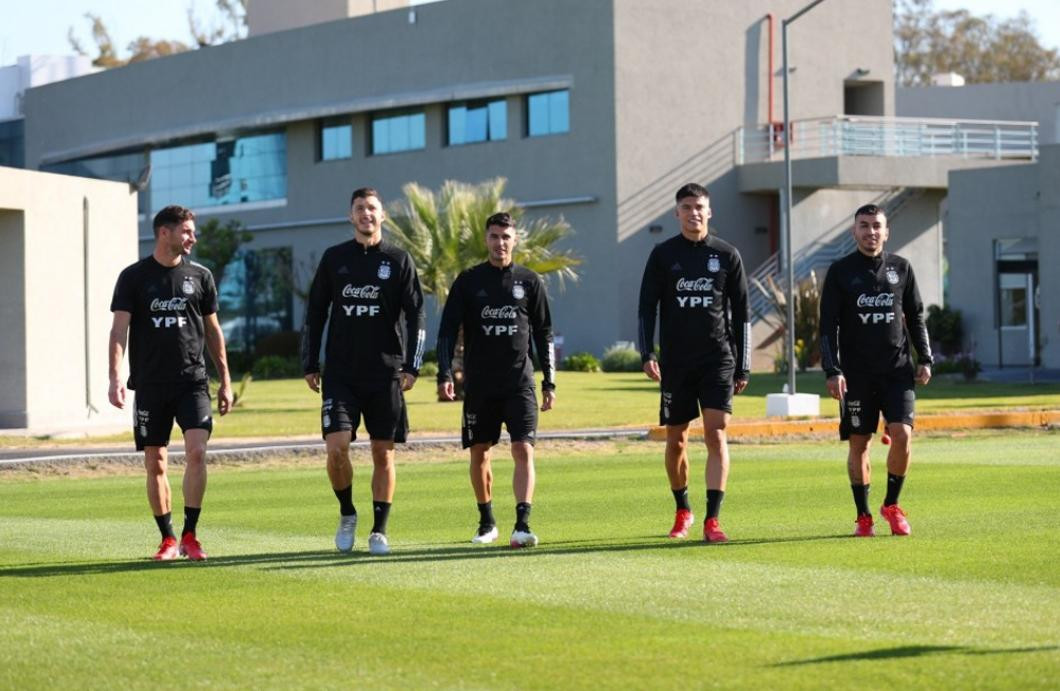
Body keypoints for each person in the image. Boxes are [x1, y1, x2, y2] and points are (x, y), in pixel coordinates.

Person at [302, 187, 425, 556]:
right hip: (341, 372)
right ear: (350, 215)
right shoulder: (334, 258)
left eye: (372, 208)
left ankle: (379, 530)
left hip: (385, 371)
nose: (366, 214)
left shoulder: (399, 260)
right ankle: (347, 513)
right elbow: (315, 312)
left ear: (382, 215)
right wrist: (310, 362)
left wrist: (413, 365)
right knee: (337, 448)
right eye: (359, 208)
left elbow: (417, 314)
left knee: (382, 452)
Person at [108, 205, 234, 562]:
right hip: (149, 384)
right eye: (187, 231)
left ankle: (191, 536)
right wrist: (115, 375)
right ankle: (167, 539)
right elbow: (119, 331)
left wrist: (225, 379)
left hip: (192, 382)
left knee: (196, 451)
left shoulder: (201, 276)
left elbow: (213, 331)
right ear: (165, 232)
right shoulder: (133, 277)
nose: (192, 237)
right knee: (156, 462)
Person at [638, 183, 750, 543]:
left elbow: (743, 315)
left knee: (716, 433)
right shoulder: (663, 255)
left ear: (709, 211)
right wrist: (647, 353)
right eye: (686, 207)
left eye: (699, 206)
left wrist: (742, 365)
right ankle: (683, 509)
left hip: (718, 358)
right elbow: (646, 308)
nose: (694, 213)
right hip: (676, 362)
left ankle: (713, 520)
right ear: (677, 213)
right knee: (676, 441)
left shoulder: (727, 255)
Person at [436, 212, 557, 548]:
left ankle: (522, 524)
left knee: (522, 448)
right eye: (494, 236)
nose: (500, 243)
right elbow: (446, 332)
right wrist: (444, 373)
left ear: (514, 239)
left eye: (506, 236)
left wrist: (549, 382)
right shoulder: (469, 280)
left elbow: (544, 335)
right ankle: (487, 522)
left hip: (519, 384)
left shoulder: (529, 282)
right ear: (485, 239)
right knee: (480, 452)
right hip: (480, 386)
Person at [819, 203, 933, 537]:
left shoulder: (902, 269)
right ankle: (864, 515)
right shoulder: (841, 272)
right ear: (854, 231)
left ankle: (892, 505)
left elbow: (915, 317)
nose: (871, 232)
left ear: (886, 231)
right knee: (860, 444)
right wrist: (832, 369)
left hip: (897, 371)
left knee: (902, 434)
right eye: (864, 226)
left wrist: (925, 358)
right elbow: (828, 326)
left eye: (876, 226)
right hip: (856, 375)